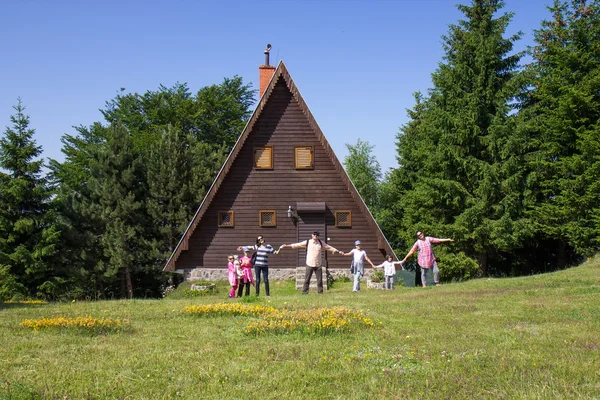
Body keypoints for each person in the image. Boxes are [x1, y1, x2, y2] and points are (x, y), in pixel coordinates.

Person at [279, 231, 343, 294]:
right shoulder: (307, 242)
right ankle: (304, 292)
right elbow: (297, 245)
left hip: (318, 264)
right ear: (312, 235)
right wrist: (287, 246)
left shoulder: (320, 243)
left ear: (318, 236)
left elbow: (329, 247)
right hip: (309, 263)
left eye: (317, 235)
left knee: (319, 280)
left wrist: (338, 251)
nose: (315, 236)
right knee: (307, 280)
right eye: (314, 234)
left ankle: (320, 292)